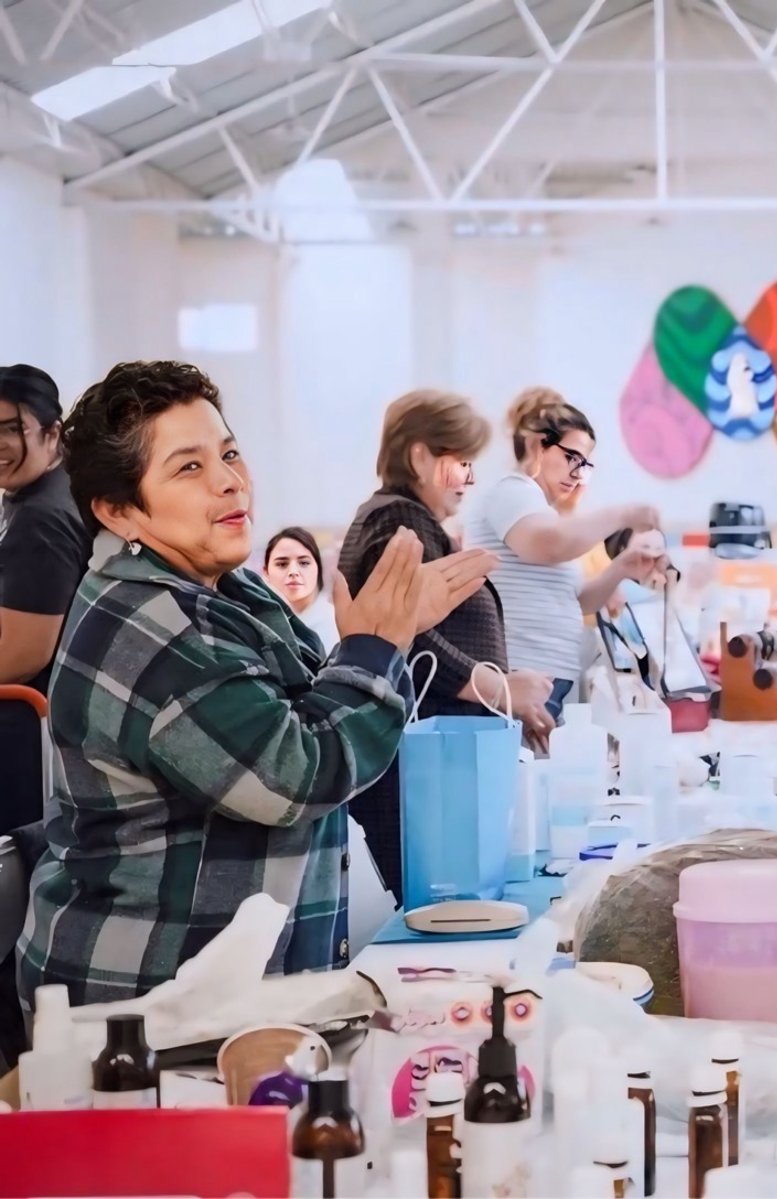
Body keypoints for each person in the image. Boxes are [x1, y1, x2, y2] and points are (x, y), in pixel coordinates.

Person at [17, 361, 494, 1005]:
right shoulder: (151, 626)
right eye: (189, 467)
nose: (229, 481)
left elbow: (315, 707)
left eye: (230, 453)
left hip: (225, 992)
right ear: (120, 511)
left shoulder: (221, 587)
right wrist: (378, 646)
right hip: (145, 1006)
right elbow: (296, 773)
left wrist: (387, 641)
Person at [337, 389, 550, 898]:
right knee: (444, 909)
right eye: (461, 464)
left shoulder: (408, 520)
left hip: (432, 763)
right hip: (421, 771)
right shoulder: (398, 522)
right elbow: (403, 632)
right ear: (419, 456)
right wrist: (495, 688)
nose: (470, 481)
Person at [464, 388, 665, 723]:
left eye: (585, 465)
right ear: (537, 445)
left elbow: (579, 601)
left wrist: (620, 568)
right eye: (572, 458)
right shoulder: (511, 493)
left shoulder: (545, 514)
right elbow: (549, 543)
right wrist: (626, 513)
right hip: (513, 678)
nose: (578, 473)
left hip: (548, 683)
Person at [0, 364, 88, 835]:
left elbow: (24, 654)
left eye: (9, 430)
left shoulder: (41, 518)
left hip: (30, 734)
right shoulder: (39, 490)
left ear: (53, 433)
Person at [262, 527, 339, 650]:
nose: (293, 572)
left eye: (304, 563)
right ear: (266, 572)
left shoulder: (336, 624)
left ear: (318, 568)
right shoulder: (259, 625)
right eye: (282, 564)